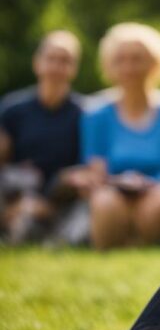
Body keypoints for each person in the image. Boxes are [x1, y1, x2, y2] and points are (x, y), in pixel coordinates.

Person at [83, 23, 160, 249]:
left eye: (137, 59)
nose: (129, 67)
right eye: (120, 59)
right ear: (110, 66)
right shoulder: (96, 114)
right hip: (114, 190)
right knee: (105, 203)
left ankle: (142, 236)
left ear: (154, 64)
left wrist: (157, 194)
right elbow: (97, 174)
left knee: (153, 209)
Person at [0, 31, 92, 244]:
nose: (56, 66)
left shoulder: (86, 113)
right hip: (19, 192)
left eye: (65, 61)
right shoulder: (13, 109)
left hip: (65, 196)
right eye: (51, 59)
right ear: (37, 63)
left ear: (74, 68)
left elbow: (89, 165)